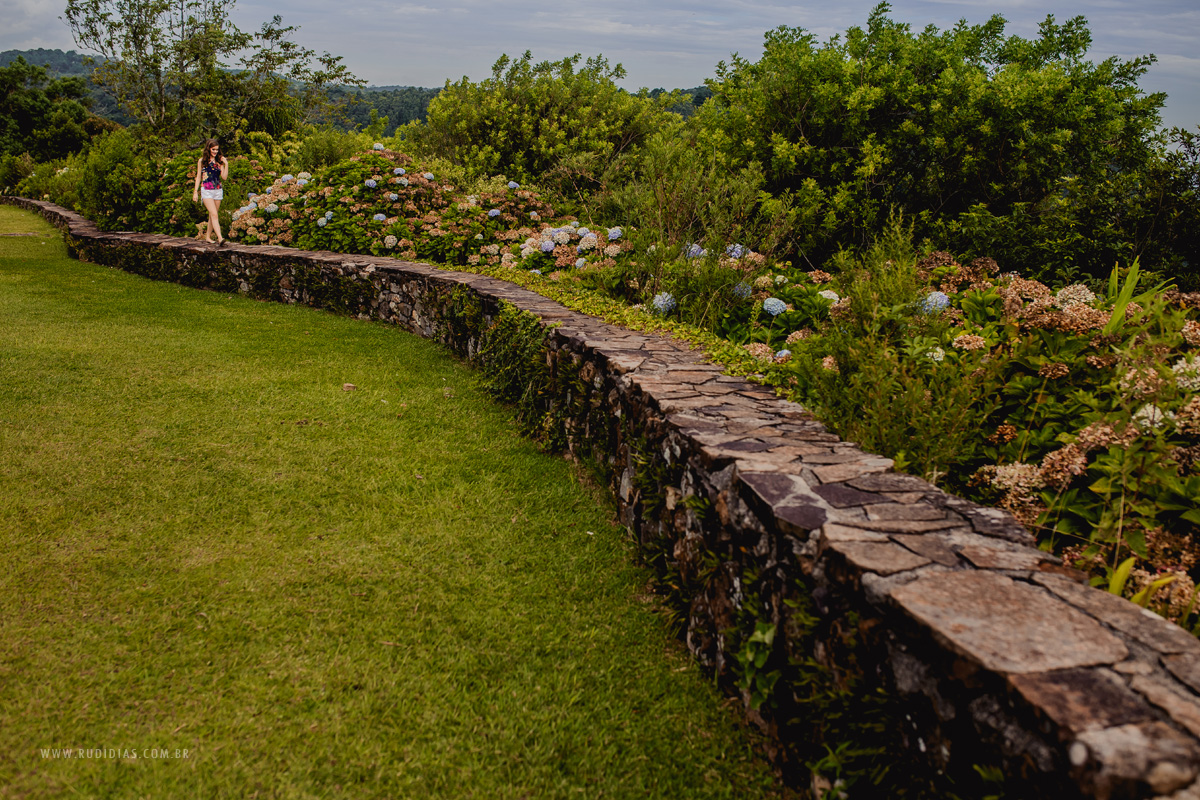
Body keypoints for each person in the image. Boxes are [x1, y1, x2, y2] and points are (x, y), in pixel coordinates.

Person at [192, 139, 229, 245]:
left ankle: (207, 236)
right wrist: (195, 192)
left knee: (212, 215)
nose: (215, 152)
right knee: (214, 214)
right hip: (206, 190)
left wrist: (226, 164)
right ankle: (220, 238)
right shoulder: (202, 161)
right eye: (213, 149)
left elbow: (224, 177)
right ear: (208, 148)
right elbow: (198, 176)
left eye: (217, 149)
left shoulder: (219, 161)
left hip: (217, 190)